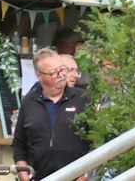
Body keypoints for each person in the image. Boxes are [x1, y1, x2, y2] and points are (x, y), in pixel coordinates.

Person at [13, 50, 90, 181]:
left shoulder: (82, 99)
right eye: (54, 72)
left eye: (62, 69)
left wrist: (85, 174)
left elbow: (97, 140)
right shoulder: (29, 101)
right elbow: (19, 145)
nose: (60, 75)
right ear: (38, 75)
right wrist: (24, 176)